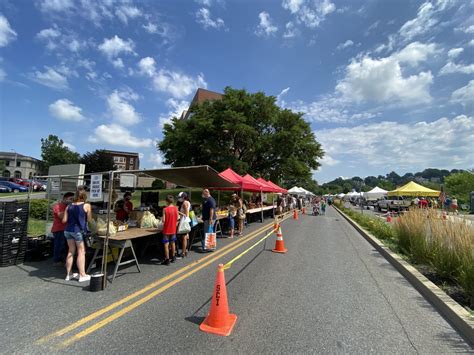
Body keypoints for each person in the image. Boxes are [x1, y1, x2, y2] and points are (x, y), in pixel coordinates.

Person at [62, 190, 92, 282]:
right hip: (78, 231)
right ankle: (82, 274)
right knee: (81, 252)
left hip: (67, 230)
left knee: (70, 251)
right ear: (84, 196)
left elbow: (64, 220)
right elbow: (90, 220)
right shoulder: (86, 205)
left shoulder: (69, 206)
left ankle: (69, 274)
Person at [51, 192, 75, 266]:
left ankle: (64, 260)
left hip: (67, 229)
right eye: (70, 199)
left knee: (66, 246)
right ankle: (56, 260)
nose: (71, 200)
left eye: (72, 199)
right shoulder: (58, 206)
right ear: (65, 198)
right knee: (59, 245)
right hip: (59, 229)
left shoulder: (68, 206)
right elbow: (62, 217)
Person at [161, 195, 179, 265]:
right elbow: (177, 219)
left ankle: (167, 259)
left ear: (166, 201)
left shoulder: (165, 209)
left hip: (166, 230)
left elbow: (163, 220)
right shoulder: (176, 208)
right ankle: (173, 257)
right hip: (173, 229)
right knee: (173, 243)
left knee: (166, 244)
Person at [177, 192, 191, 257]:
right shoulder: (188, 202)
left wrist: (178, 212)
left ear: (183, 197)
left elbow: (186, 214)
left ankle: (183, 252)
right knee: (186, 236)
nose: (179, 199)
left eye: (180, 197)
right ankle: (185, 250)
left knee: (184, 237)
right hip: (186, 221)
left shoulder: (185, 203)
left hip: (184, 221)